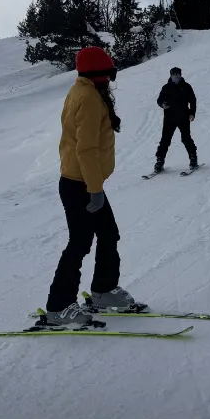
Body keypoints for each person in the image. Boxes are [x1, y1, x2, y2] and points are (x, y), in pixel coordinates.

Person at [45, 46, 136, 327]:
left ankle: (103, 291)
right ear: (98, 73)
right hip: (80, 183)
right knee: (80, 243)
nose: (110, 78)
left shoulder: (82, 91)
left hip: (83, 180)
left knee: (108, 233)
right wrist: (94, 189)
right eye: (108, 73)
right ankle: (58, 307)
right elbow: (85, 149)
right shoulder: (89, 98)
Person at [154, 66, 198, 173]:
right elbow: (159, 100)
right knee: (165, 140)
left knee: (186, 138)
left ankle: (193, 158)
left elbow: (193, 100)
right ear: (171, 76)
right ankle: (160, 161)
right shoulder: (166, 87)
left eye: (178, 75)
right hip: (169, 118)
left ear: (180, 75)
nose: (176, 77)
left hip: (184, 117)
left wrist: (192, 114)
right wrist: (162, 104)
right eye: (174, 75)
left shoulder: (186, 87)